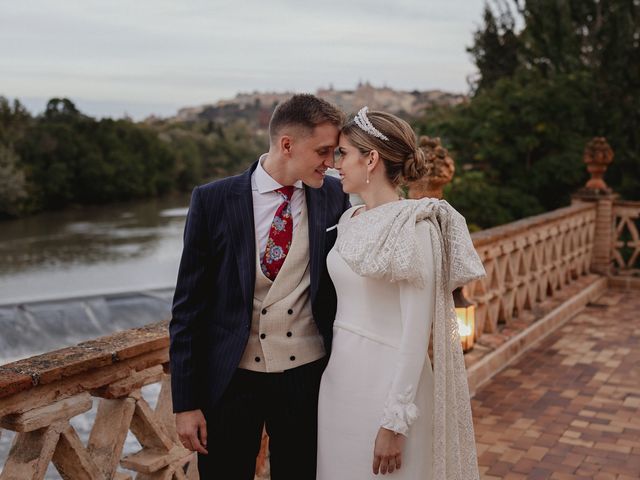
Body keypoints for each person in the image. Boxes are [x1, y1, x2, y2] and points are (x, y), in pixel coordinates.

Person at [169, 94, 350, 480]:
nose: (331, 162)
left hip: (308, 378)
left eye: (336, 153)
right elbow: (187, 310)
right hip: (230, 380)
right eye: (323, 151)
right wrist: (184, 403)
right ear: (287, 144)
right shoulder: (212, 200)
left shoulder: (337, 196)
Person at [317, 107, 485, 479]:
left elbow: (415, 332)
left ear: (371, 158)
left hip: (389, 389)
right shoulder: (348, 219)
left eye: (343, 153)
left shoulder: (415, 226)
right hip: (339, 384)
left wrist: (394, 422)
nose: (335, 163)